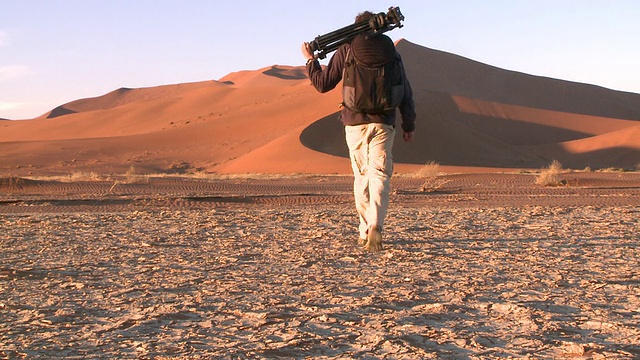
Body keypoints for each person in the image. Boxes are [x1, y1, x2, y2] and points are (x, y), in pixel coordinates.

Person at [301, 11, 416, 252]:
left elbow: (323, 84)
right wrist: (408, 125)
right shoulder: (392, 52)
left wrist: (311, 60)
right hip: (384, 123)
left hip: (354, 124)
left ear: (354, 28)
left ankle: (365, 231)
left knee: (362, 176)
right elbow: (405, 89)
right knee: (380, 175)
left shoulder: (348, 48)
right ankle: (376, 224)